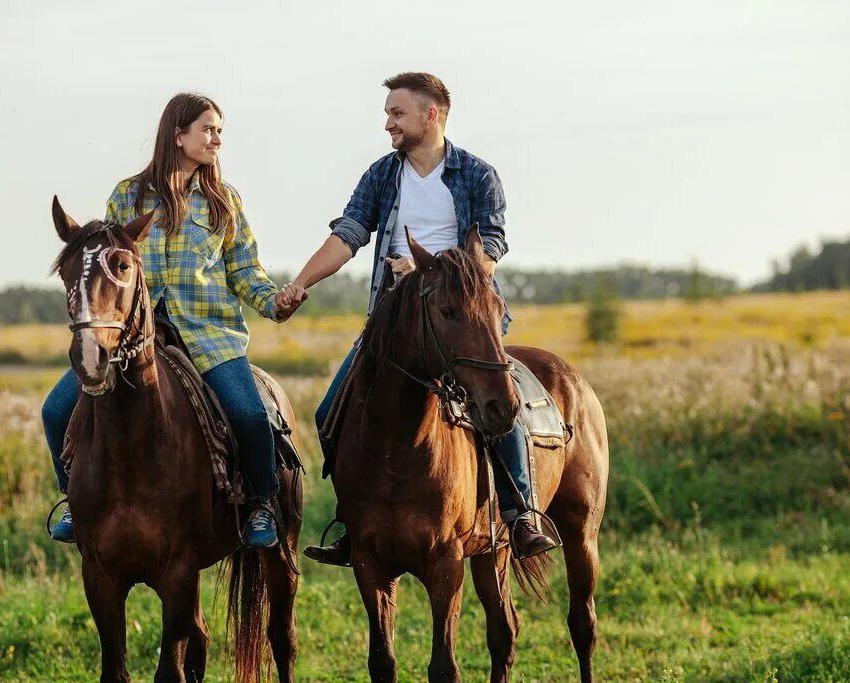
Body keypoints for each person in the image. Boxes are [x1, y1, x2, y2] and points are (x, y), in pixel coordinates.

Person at [279, 72, 557, 564]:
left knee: (500, 404)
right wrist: (301, 284)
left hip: (464, 318)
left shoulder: (477, 174)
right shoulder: (383, 175)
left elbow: (489, 246)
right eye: (388, 113)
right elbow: (348, 234)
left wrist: (432, 270)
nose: (388, 123)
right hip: (391, 325)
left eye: (396, 113)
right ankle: (355, 521)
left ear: (431, 115)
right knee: (329, 411)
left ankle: (520, 514)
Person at [44, 92, 306, 549]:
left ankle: (262, 504)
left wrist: (273, 303)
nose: (217, 139)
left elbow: (244, 270)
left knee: (249, 412)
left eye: (220, 131)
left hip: (209, 334)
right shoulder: (127, 195)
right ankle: (75, 500)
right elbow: (110, 262)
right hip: (136, 333)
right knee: (55, 410)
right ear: (178, 134)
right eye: (209, 129)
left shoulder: (224, 201)